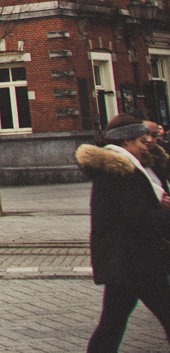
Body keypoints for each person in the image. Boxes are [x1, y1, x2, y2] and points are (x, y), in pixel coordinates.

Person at [77, 116, 170, 352]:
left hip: (130, 260)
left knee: (113, 322)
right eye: (142, 139)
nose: (149, 141)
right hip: (135, 260)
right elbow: (139, 217)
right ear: (126, 141)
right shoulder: (118, 171)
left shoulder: (130, 166)